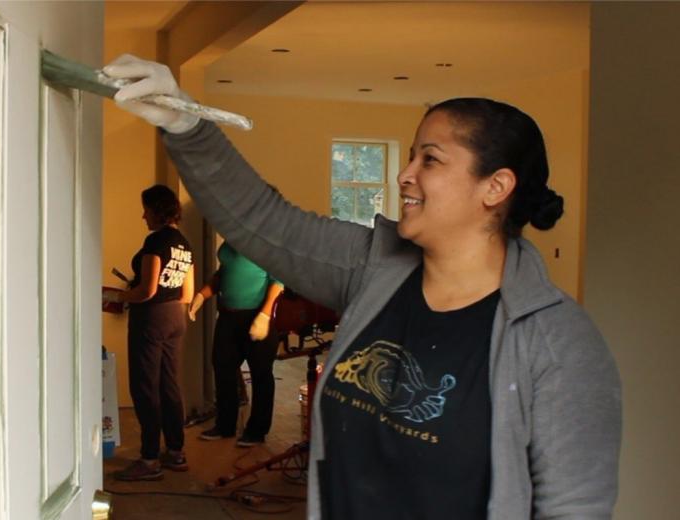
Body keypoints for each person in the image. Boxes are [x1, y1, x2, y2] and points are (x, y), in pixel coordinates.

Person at [103, 56, 622, 519]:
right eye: (412, 155)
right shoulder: (372, 268)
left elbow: (574, 508)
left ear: (496, 186)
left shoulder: (558, 346)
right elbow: (264, 222)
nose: (405, 175)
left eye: (430, 160)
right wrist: (187, 122)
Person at [103, 184, 195, 481]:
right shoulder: (183, 243)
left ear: (157, 210)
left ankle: (150, 459)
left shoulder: (155, 241)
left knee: (145, 388)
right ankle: (176, 452)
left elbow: (146, 290)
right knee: (169, 386)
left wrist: (117, 296)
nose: (143, 215)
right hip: (175, 318)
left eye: (146, 209)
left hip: (151, 320)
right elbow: (187, 293)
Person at [187, 240, 284, 447]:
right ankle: (225, 425)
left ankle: (257, 431)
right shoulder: (229, 244)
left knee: (261, 373)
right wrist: (202, 295)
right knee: (223, 368)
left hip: (256, 315)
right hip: (228, 316)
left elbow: (278, 282)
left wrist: (265, 315)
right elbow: (222, 274)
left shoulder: (265, 243)